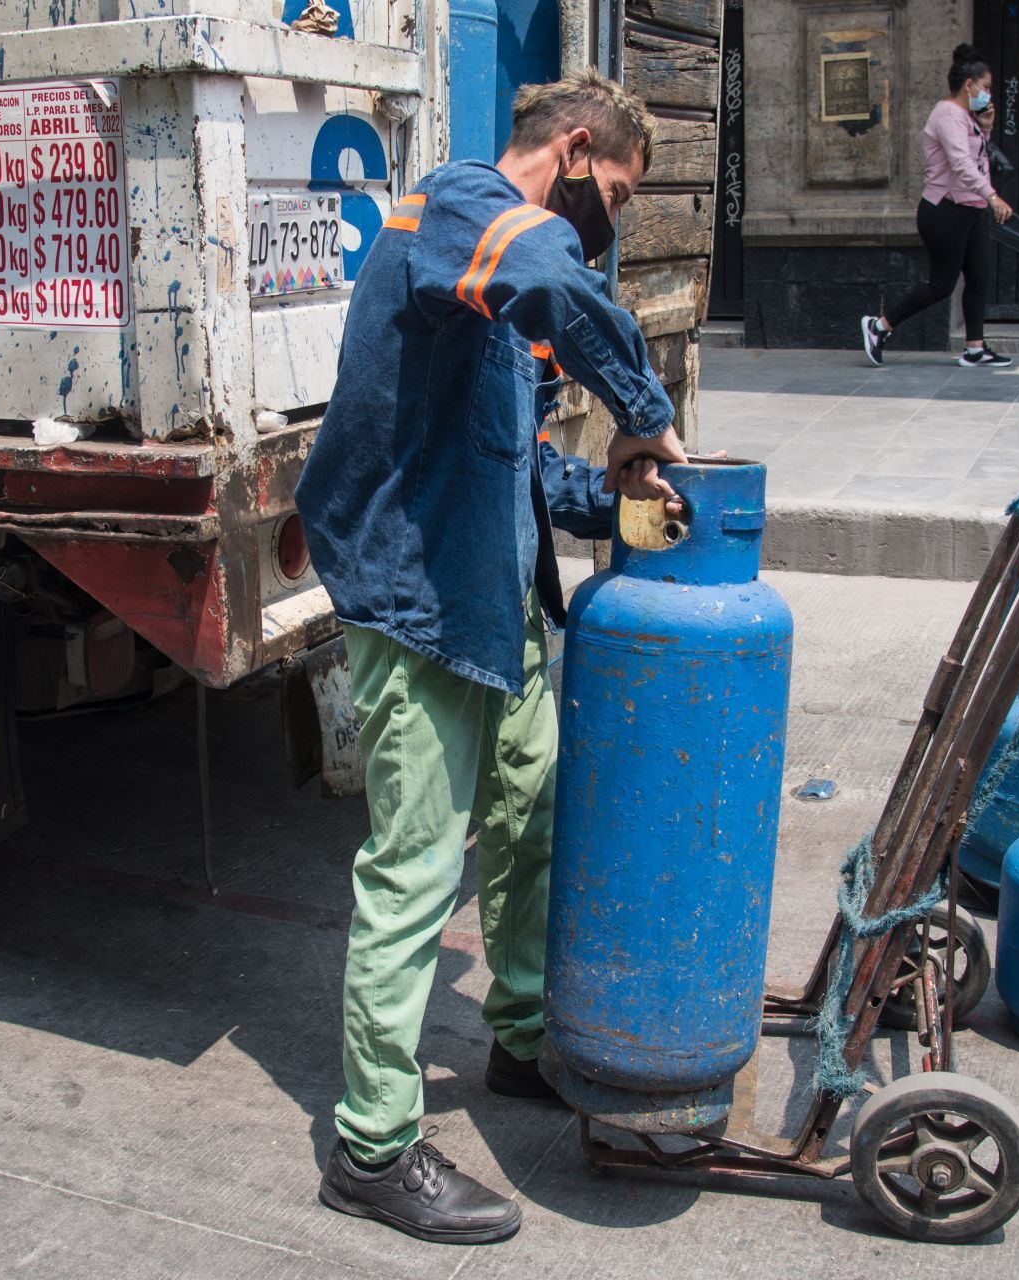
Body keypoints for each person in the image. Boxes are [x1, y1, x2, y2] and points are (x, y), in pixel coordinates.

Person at [293, 70, 687, 1245]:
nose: (604, 218)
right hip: (415, 603)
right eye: (611, 189)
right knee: (416, 869)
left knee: (528, 812)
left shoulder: (507, 276)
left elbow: (508, 460)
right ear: (571, 152)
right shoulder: (461, 210)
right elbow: (558, 282)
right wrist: (644, 409)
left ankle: (519, 1036)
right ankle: (369, 1145)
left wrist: (608, 492)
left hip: (494, 596)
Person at [862, 43, 1015, 369]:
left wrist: (985, 127)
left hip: (969, 209)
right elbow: (960, 164)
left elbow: (976, 158)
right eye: (986, 86)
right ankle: (879, 326)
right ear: (969, 84)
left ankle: (975, 348)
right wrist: (993, 197)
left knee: (978, 276)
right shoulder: (947, 115)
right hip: (945, 211)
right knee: (941, 285)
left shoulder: (965, 116)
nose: (989, 93)